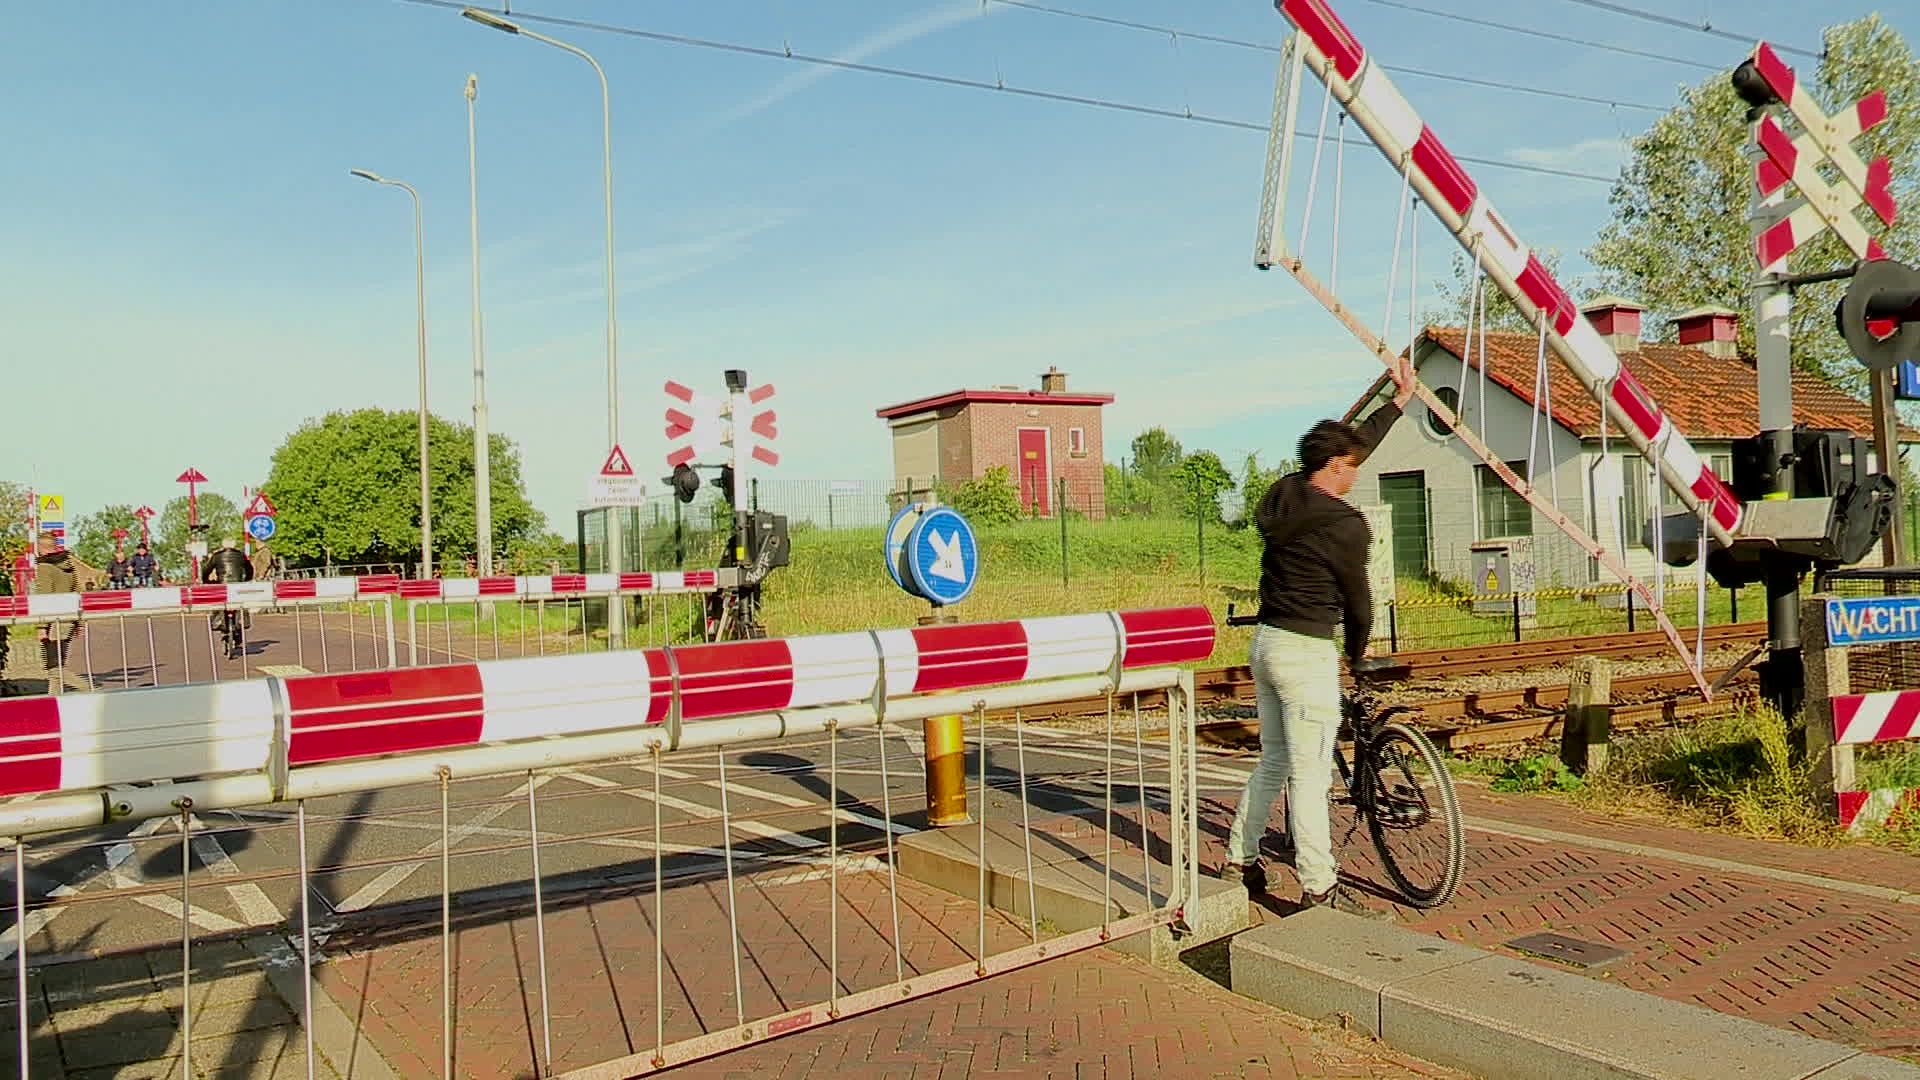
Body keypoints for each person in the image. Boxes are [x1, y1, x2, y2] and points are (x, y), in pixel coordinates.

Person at [1224, 354, 1415, 913]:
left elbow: (1352, 444)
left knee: (1276, 760)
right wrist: (1357, 653)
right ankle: (1318, 885)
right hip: (1306, 651)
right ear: (1334, 465)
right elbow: (1358, 598)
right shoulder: (1344, 526)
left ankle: (1239, 857)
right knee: (1309, 774)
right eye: (1351, 466)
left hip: (1265, 645)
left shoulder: (1286, 496)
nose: (1358, 472)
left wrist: (1397, 403)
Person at [32, 532, 85, 693]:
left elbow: (44, 597)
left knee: (54, 666)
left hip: (53, 621)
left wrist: (41, 626)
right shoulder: (67, 565)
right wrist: (79, 622)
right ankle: (53, 698)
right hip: (69, 618)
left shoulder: (44, 567)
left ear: (40, 548)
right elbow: (77, 591)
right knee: (56, 664)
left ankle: (91, 689)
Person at [203, 537, 254, 658]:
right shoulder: (241, 555)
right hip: (237, 586)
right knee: (240, 606)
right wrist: (247, 579)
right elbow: (249, 568)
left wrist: (207, 580)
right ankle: (240, 624)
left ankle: (219, 622)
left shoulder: (217, 556)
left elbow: (206, 569)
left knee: (219, 605)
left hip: (222, 584)